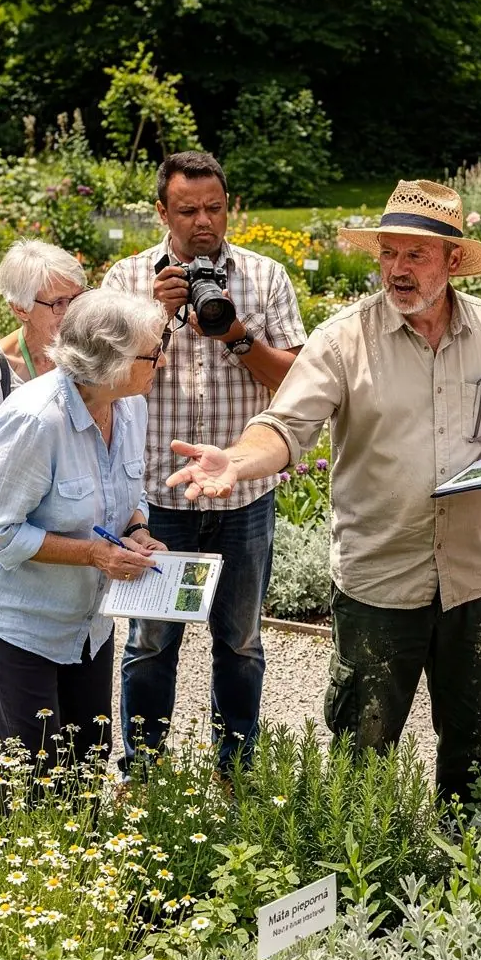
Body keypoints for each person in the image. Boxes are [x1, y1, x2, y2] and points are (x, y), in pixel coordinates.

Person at [163, 179, 481, 805]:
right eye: (388, 253)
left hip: (473, 579)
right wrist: (235, 460)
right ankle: (362, 890)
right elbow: (285, 427)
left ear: (453, 261)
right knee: (361, 760)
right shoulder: (344, 339)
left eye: (415, 255)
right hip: (379, 582)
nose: (397, 269)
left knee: (479, 754)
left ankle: (476, 883)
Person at [102, 150, 305, 772]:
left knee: (241, 642)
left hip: (242, 495)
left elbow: (296, 382)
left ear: (229, 207)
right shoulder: (126, 281)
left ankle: (235, 770)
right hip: (156, 500)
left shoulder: (265, 277)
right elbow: (103, 381)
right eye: (187, 210)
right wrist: (157, 319)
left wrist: (237, 337)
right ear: (161, 211)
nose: (203, 222)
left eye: (214, 208)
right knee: (151, 640)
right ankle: (142, 771)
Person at [0, 289, 168, 768]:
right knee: (33, 772)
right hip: (24, 631)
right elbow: (2, 533)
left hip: (90, 627)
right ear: (111, 361)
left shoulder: (130, 405)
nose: (161, 359)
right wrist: (94, 554)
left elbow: (127, 495)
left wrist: (136, 529)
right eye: (152, 352)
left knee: (90, 761)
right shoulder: (34, 420)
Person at [0, 238, 87, 386]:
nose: (73, 311)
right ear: (20, 309)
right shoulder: (4, 371)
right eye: (59, 303)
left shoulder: (91, 353)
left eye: (78, 297)